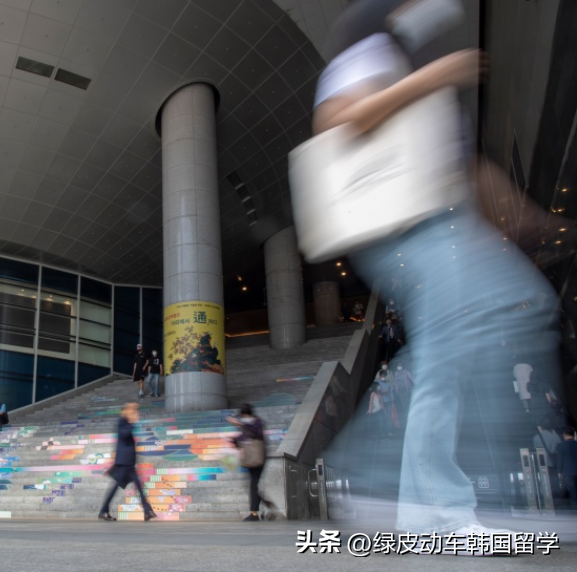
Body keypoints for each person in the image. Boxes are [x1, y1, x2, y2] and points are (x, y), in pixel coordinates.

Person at [315, 0, 558, 545]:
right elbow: (341, 117)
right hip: (401, 227)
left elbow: (463, 166)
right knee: (446, 352)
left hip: (446, 222)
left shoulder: (417, 57)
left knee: (527, 303)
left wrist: (531, 218)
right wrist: (432, 79)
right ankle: (420, 498)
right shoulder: (371, 38)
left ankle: (406, 494)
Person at [98, 402, 156, 521]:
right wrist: (132, 423)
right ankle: (104, 510)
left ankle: (147, 511)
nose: (136, 413)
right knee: (122, 486)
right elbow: (124, 435)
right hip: (124, 462)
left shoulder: (126, 421)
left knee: (136, 485)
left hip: (128, 462)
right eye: (134, 411)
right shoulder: (122, 420)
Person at [228, 404, 273, 521]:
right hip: (250, 458)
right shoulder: (247, 425)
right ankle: (264, 503)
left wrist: (240, 424)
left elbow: (254, 434)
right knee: (253, 484)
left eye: (244, 416)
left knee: (253, 484)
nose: (243, 419)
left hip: (258, 458)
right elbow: (243, 438)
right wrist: (233, 441)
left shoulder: (257, 423)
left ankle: (254, 513)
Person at [557, 427, 577, 509]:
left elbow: (560, 460)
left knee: (572, 491)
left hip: (567, 472)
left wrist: (559, 471)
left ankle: (575, 506)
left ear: (564, 435)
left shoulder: (561, 446)